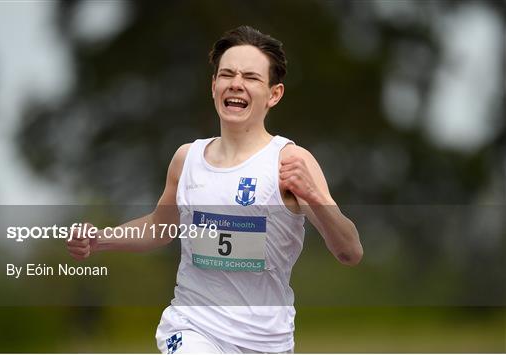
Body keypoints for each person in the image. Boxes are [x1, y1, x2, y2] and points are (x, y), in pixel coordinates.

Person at [67, 25, 363, 354]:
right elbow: (159, 227)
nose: (236, 84)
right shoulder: (187, 160)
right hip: (192, 328)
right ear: (214, 86)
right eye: (227, 74)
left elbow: (349, 251)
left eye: (251, 77)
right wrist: (102, 239)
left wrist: (316, 197)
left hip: (267, 341)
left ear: (274, 94)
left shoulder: (290, 161)